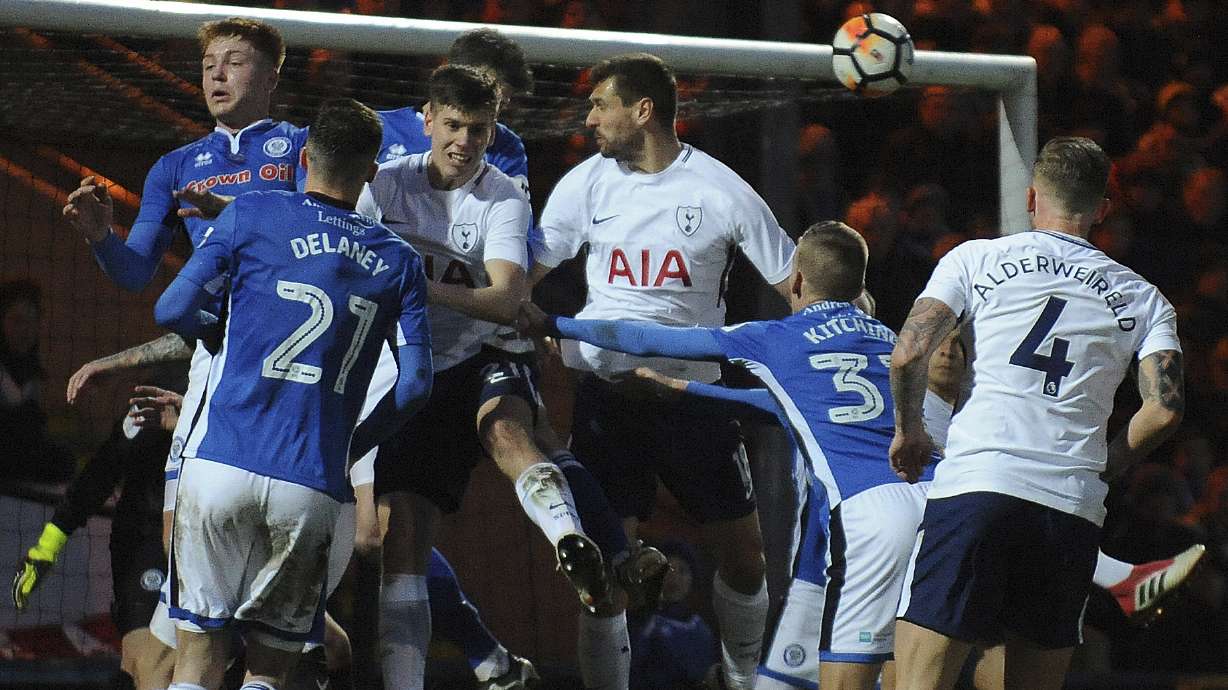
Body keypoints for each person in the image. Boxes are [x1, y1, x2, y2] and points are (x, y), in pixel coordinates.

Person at [520, 221, 933, 690]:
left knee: (827, 678)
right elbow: (783, 408)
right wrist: (684, 391)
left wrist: (554, 322)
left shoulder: (777, 337)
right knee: (932, 664)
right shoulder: (888, 339)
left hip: (865, 520)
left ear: (795, 281)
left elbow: (645, 339)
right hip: (943, 501)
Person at [529, 52, 797, 690]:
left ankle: (740, 679)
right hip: (608, 400)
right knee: (603, 577)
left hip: (694, 398)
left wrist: (848, 319)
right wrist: (520, 322)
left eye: (601, 105)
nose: (589, 118)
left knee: (746, 558)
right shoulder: (585, 183)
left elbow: (796, 284)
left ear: (642, 111)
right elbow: (530, 277)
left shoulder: (720, 190)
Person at [354, 63, 619, 690]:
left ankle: (568, 539)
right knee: (399, 543)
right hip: (407, 368)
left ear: (492, 129)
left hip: (480, 355)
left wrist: (416, 289)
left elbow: (505, 300)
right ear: (426, 119)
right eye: (453, 126)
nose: (464, 143)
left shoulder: (502, 193)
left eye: (479, 130)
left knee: (507, 429)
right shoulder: (384, 187)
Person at [888, 136, 1185, 690]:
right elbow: (1165, 409)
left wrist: (910, 431)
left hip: (978, 490)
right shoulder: (1143, 297)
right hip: (1069, 510)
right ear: (1102, 209)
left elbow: (908, 352)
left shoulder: (975, 258)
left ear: (1032, 197)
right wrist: (1113, 460)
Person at [154, 97, 432, 690]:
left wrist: (223, 335)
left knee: (196, 659)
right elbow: (414, 387)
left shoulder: (250, 215)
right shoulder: (399, 262)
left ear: (303, 158)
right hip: (312, 481)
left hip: (220, 465)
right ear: (372, 171)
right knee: (270, 670)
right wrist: (354, 443)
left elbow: (170, 306)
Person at [59, 16, 309, 669]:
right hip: (212, 363)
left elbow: (324, 246)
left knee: (302, 551)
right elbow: (137, 271)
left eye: (234, 62)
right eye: (208, 65)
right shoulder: (175, 168)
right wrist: (99, 237)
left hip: (293, 367)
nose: (217, 75)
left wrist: (244, 221)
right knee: (182, 537)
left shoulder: (301, 150)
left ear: (272, 76)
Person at [11, 378, 179, 690]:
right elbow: (101, 473)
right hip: (147, 543)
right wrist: (49, 545)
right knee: (148, 664)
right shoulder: (154, 402)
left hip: (213, 550)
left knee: (200, 662)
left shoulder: (237, 399)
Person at [0, 280, 74, 483]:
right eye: (17, 320)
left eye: (32, 321)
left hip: (23, 474)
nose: (25, 330)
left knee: (64, 461)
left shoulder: (31, 372)